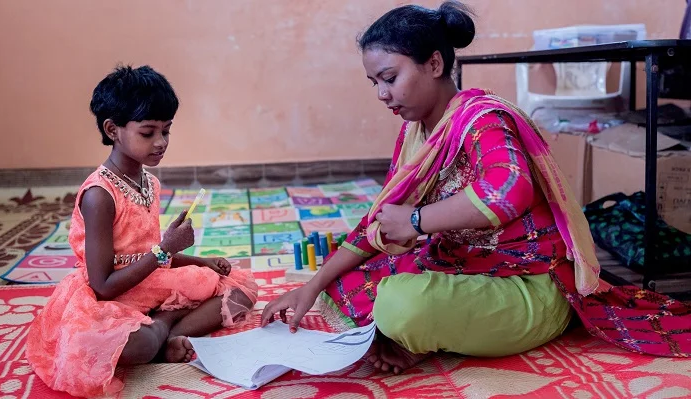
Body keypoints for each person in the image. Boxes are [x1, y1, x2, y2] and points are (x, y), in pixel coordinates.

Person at [262, 1, 690, 375]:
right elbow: (376, 226)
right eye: (374, 82)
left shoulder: (483, 118)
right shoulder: (415, 133)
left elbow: (509, 191)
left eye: (389, 78)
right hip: (464, 266)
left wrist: (416, 220)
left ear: (433, 64)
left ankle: (431, 333)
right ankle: (426, 337)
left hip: (526, 284)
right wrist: (312, 286)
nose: (381, 94)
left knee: (399, 305)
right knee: (344, 283)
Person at [26, 65, 259, 398]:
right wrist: (166, 250)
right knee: (138, 343)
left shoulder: (148, 182)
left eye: (167, 130)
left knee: (241, 289)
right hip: (110, 296)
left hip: (148, 282)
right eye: (148, 132)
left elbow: (145, 249)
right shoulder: (99, 196)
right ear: (113, 129)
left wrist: (199, 260)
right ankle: (163, 330)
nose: (161, 142)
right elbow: (103, 285)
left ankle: (163, 330)